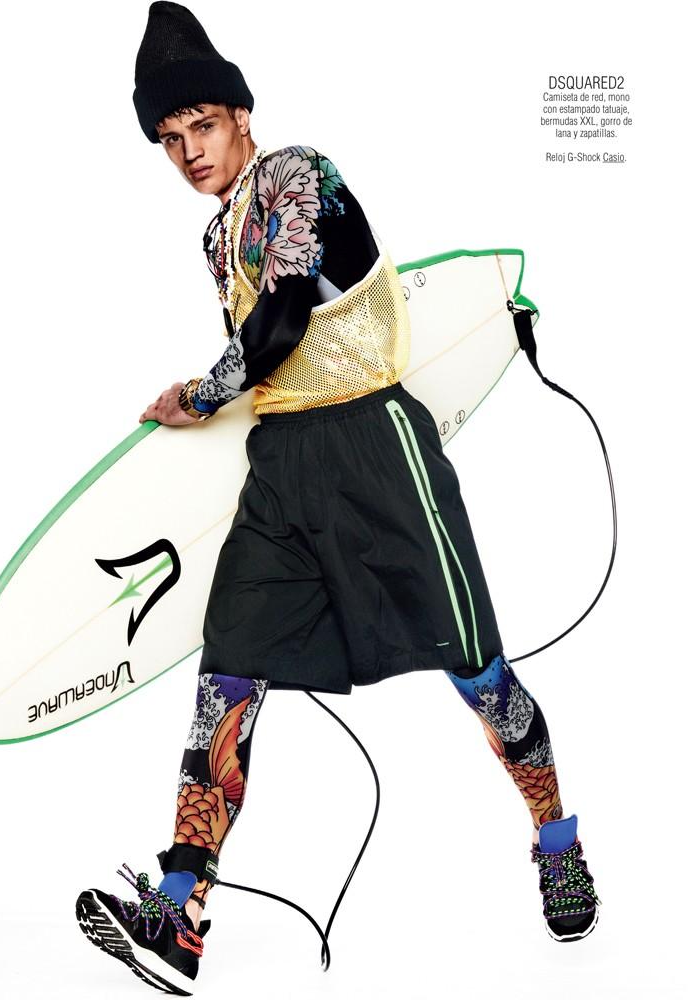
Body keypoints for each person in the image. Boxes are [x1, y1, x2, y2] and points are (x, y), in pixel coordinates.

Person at [75, 3, 601, 992]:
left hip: (375, 445)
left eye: (202, 125)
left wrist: (197, 395)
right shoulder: (215, 235)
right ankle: (180, 909)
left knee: (477, 669)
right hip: (281, 465)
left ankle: (556, 841)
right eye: (169, 138)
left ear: (241, 114)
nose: (189, 151)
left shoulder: (298, 175)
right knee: (227, 676)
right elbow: (267, 357)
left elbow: (280, 322)